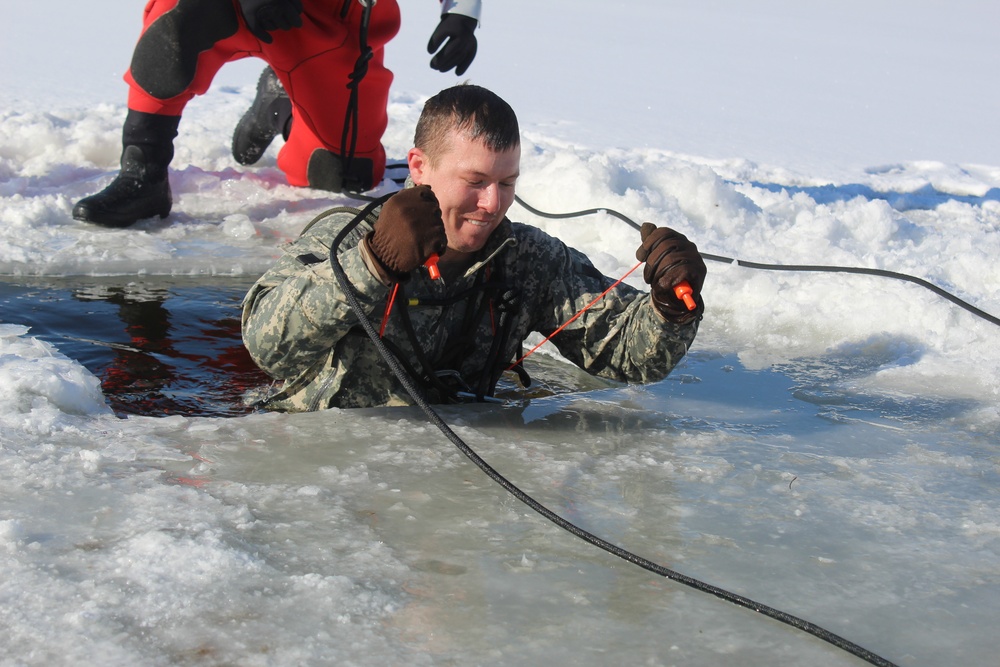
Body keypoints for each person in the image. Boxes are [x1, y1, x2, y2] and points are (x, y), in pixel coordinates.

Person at [240, 84, 707, 412]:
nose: (491, 204)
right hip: (326, 470)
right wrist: (371, 265)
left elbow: (627, 355)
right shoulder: (346, 237)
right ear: (420, 167)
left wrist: (669, 305)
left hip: (454, 482)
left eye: (507, 183)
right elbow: (266, 347)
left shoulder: (528, 259)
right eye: (475, 181)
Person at [73, 0, 482, 228]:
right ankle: (142, 169)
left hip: (332, 20)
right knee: (177, 28)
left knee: (339, 173)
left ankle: (281, 106)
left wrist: (461, 12)